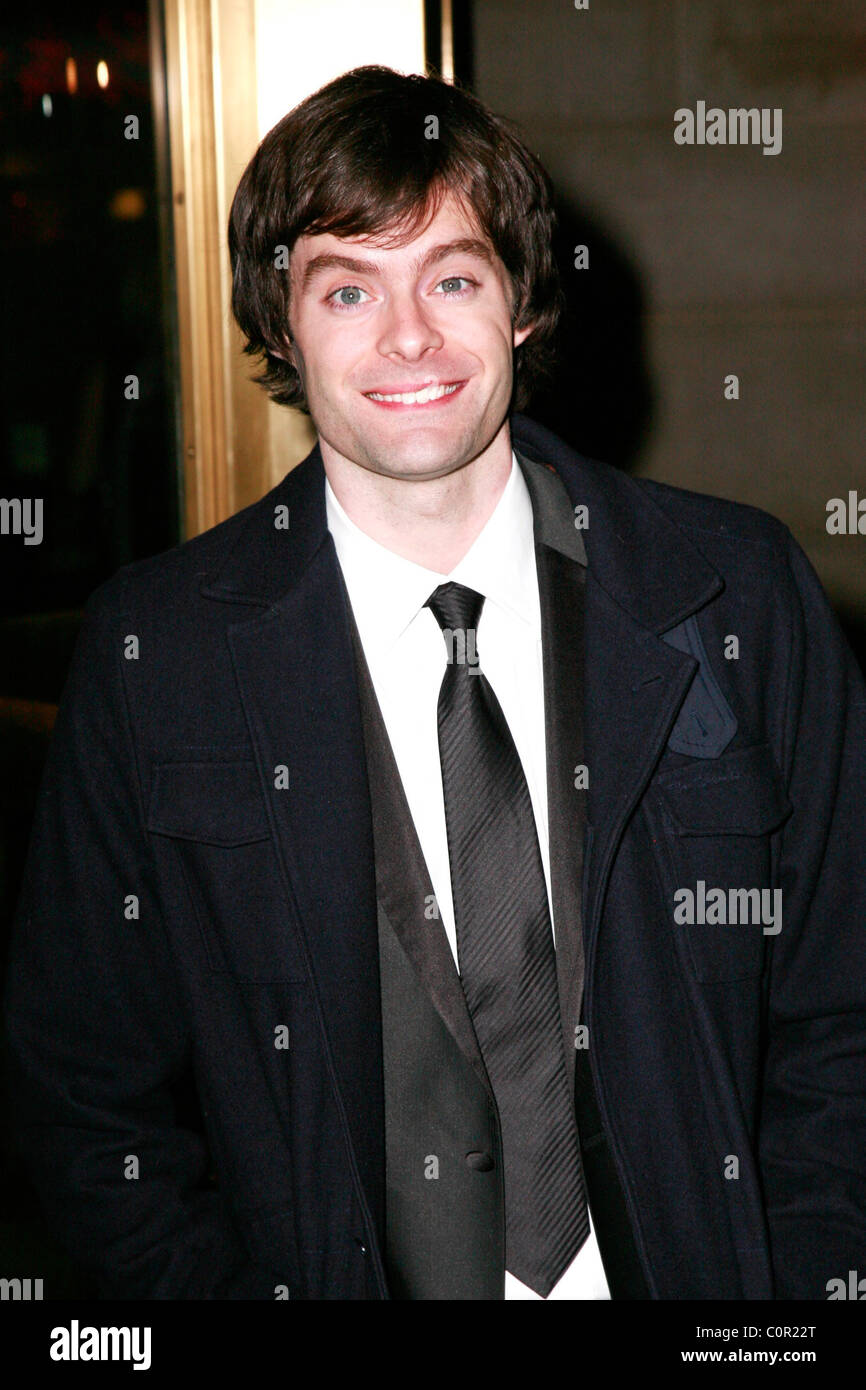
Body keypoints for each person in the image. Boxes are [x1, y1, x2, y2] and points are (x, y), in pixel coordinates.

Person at [4, 64, 866, 1301]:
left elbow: (841, 1007)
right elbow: (84, 1095)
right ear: (280, 323)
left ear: (518, 302)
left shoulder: (732, 591)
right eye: (347, 287)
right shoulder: (161, 657)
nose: (407, 336)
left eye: (451, 278)